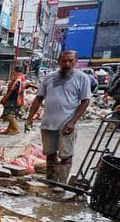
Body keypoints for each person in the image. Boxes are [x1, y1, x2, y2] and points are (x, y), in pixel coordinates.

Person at [26, 50, 92, 185]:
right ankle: (50, 181)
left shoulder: (82, 78)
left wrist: (73, 122)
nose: (67, 64)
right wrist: (30, 117)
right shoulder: (49, 77)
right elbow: (38, 98)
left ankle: (61, 184)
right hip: (48, 123)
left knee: (66, 155)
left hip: (67, 123)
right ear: (59, 62)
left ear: (75, 61)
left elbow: (85, 101)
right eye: (64, 61)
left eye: (70, 60)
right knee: (50, 154)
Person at [0, 66, 27, 133]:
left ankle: (16, 128)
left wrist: (5, 98)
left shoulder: (17, 79)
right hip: (19, 99)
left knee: (9, 114)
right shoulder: (23, 78)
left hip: (13, 99)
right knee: (13, 114)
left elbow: (12, 90)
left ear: (15, 71)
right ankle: (9, 129)